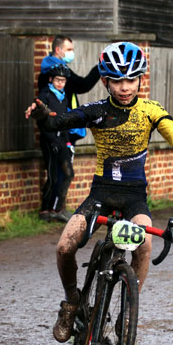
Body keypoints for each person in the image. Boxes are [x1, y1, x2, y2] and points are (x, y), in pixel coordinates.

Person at [25, 41, 173, 343]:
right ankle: (72, 303)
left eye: (131, 79)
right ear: (106, 81)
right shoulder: (96, 110)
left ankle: (127, 309)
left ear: (140, 80)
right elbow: (60, 121)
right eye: (118, 80)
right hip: (101, 195)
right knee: (63, 247)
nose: (125, 87)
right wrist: (43, 115)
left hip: (135, 196)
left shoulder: (151, 110)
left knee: (144, 244)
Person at [35, 35, 100, 220]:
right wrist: (99, 69)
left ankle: (52, 209)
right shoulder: (56, 73)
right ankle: (52, 209)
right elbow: (85, 84)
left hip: (62, 133)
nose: (61, 82)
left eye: (63, 81)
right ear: (58, 50)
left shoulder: (54, 74)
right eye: (69, 49)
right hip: (53, 135)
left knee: (59, 172)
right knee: (60, 173)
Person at [35, 64, 76, 223]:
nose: (60, 83)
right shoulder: (45, 96)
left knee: (68, 173)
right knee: (52, 175)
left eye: (63, 81)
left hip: (62, 140)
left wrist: (67, 141)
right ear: (51, 79)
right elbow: (42, 121)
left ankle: (58, 208)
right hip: (49, 140)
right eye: (58, 80)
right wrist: (52, 139)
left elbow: (64, 120)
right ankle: (45, 209)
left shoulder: (64, 96)